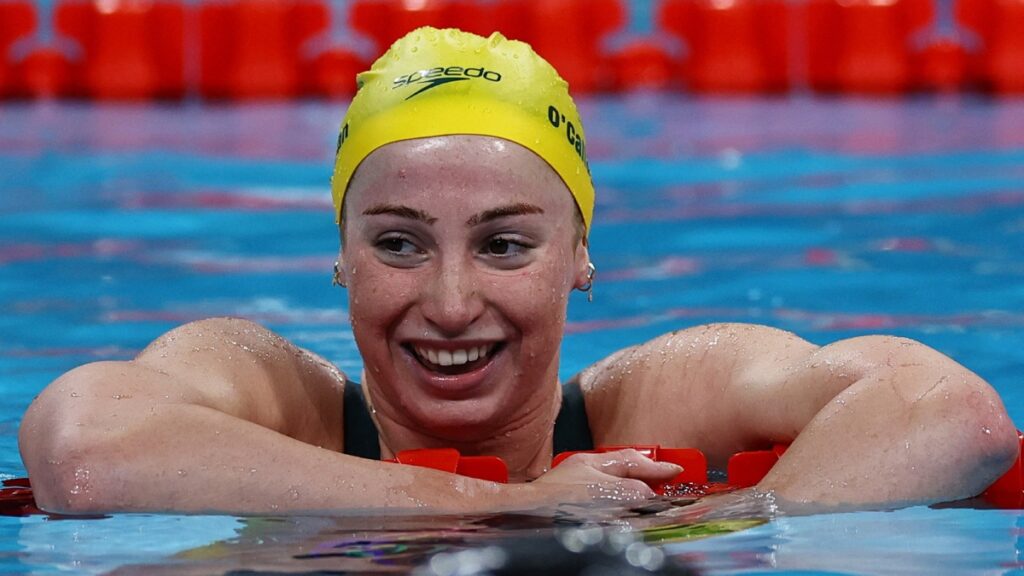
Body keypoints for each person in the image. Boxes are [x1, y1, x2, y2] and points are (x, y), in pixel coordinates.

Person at [19, 27, 1018, 516]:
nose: (450, 305)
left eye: (504, 244)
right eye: (399, 243)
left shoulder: (663, 398)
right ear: (339, 257)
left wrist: (729, 521)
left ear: (579, 255)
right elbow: (82, 456)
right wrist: (499, 506)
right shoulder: (265, 391)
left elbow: (952, 416)